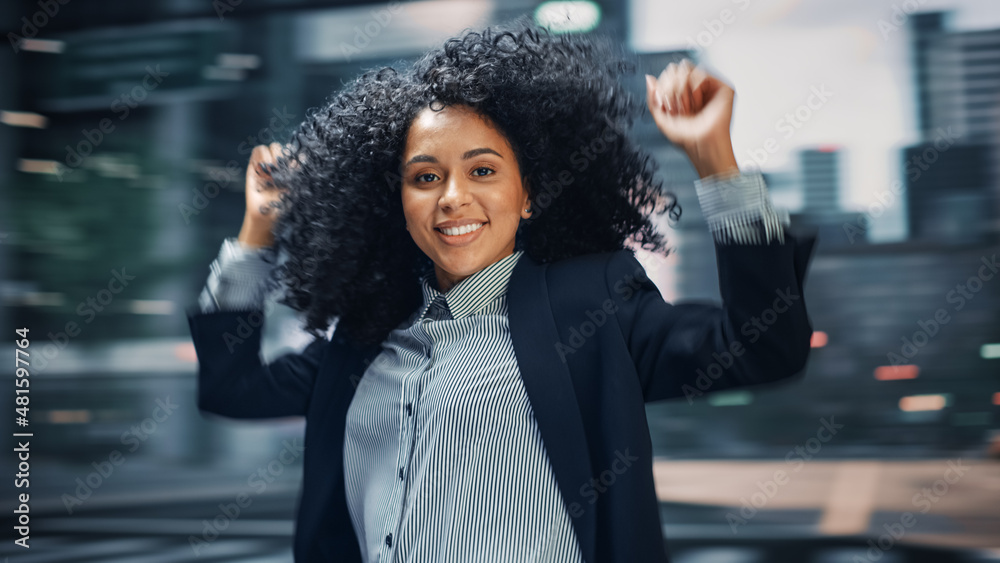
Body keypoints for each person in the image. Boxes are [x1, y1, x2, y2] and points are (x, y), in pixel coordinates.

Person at [186, 18, 817, 563]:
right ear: (398, 204)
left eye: (482, 170)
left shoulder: (589, 303)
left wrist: (716, 162)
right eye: (425, 176)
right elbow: (230, 388)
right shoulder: (362, 338)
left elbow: (762, 347)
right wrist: (257, 231)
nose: (453, 197)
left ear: (529, 194)